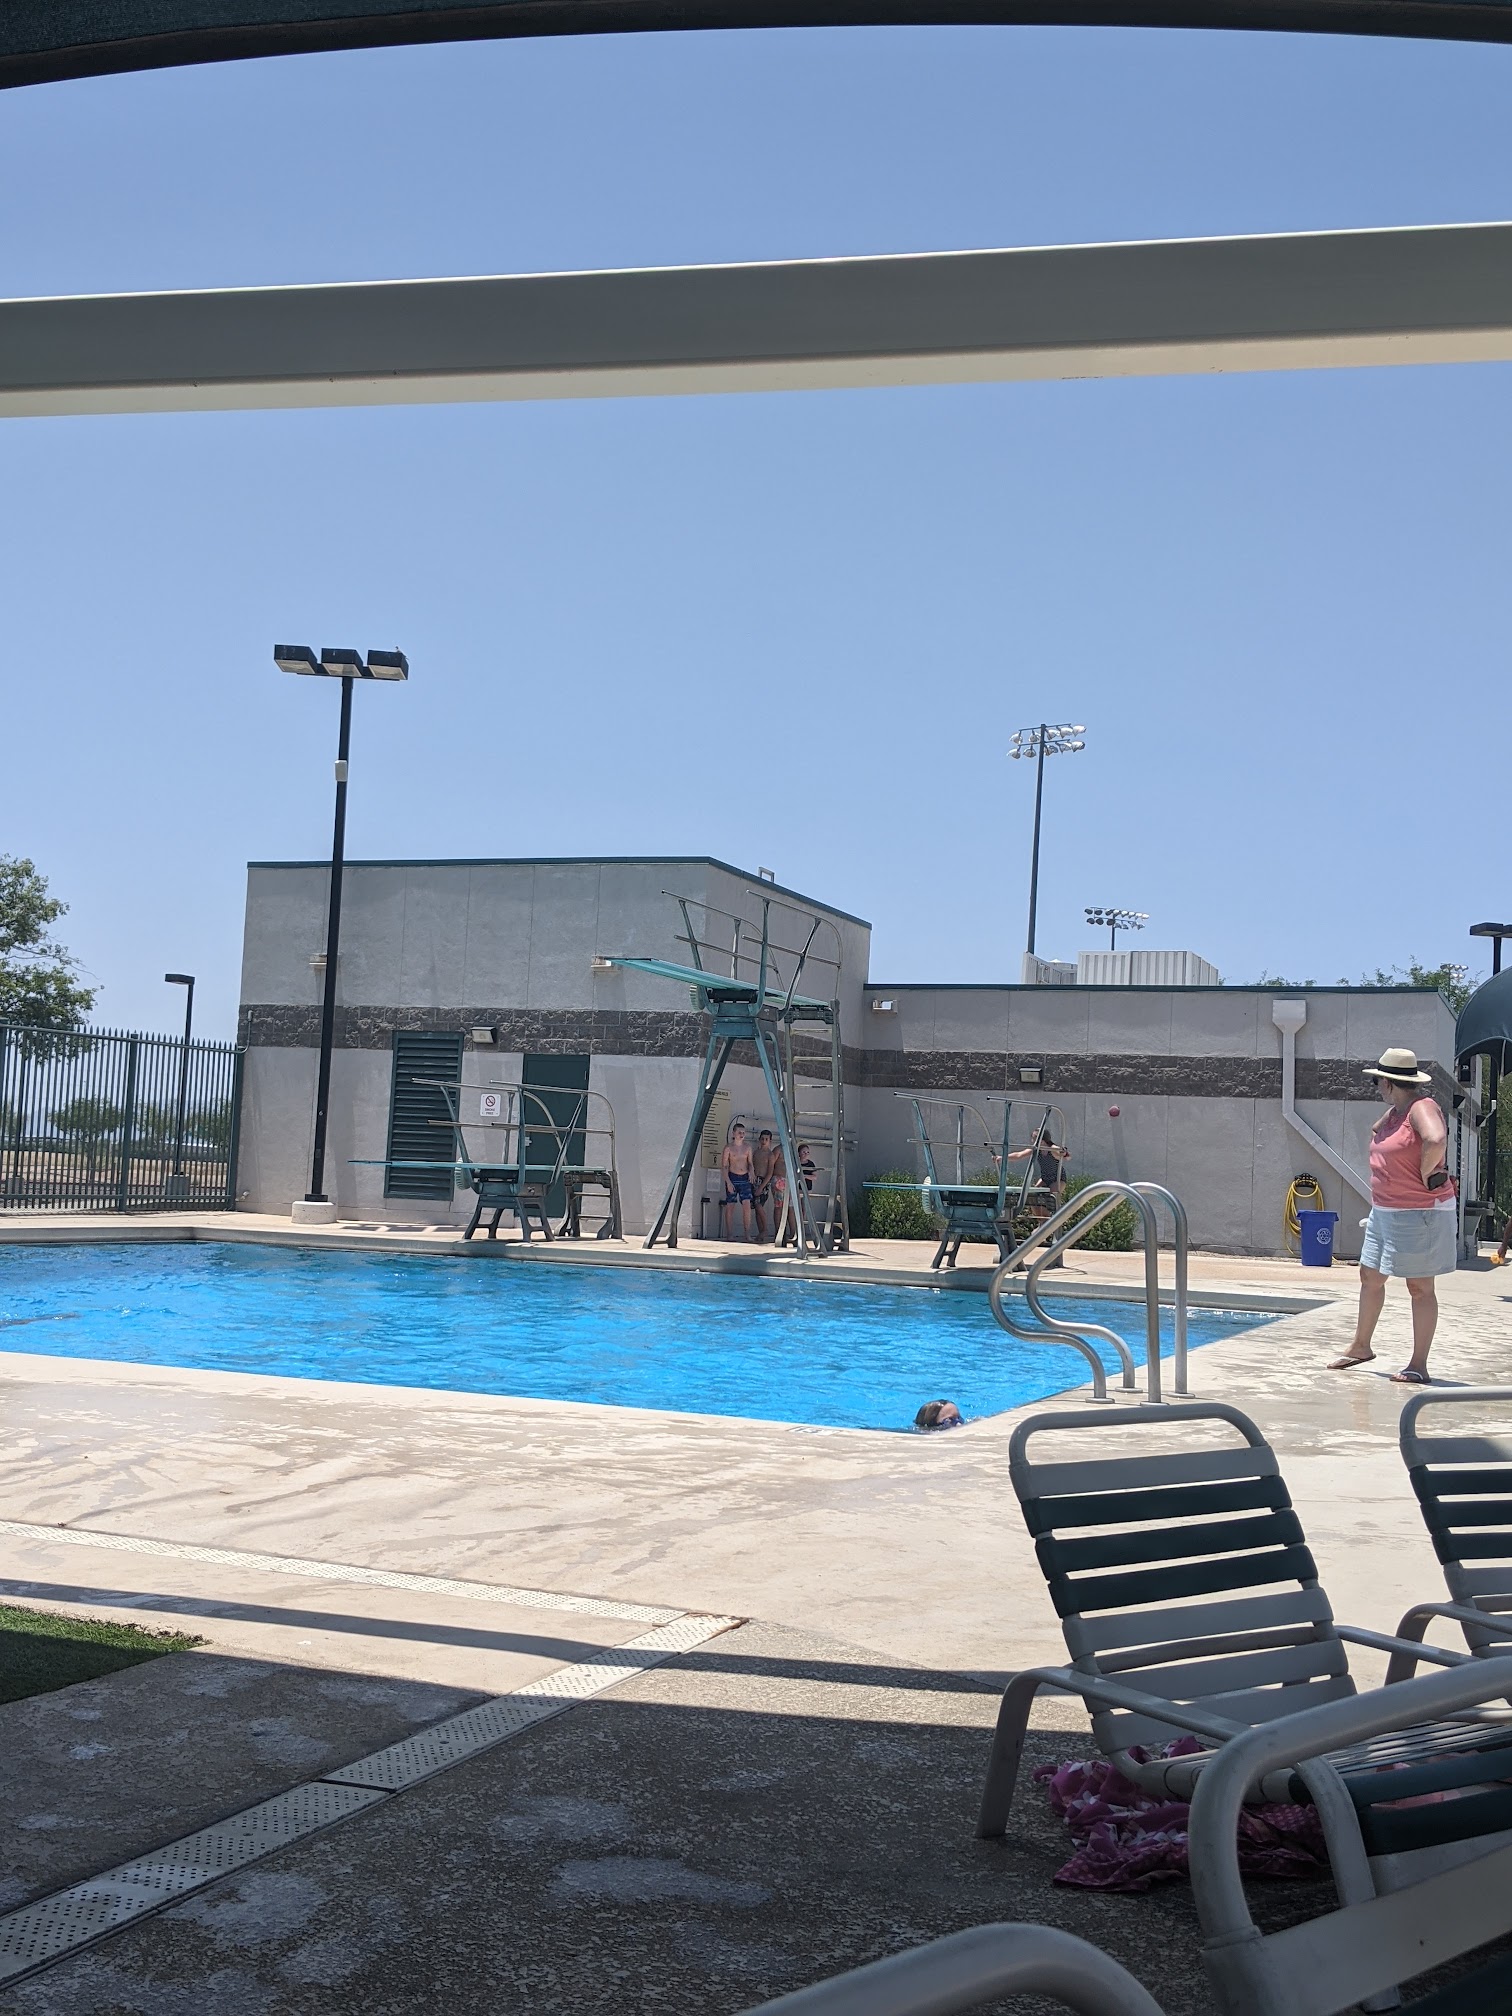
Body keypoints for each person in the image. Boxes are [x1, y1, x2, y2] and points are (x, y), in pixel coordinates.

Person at [1328, 1047, 1457, 1385]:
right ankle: (1361, 1346)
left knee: (1419, 1286)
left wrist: (1426, 1171)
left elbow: (1436, 1139)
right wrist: (1388, 1126)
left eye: (1377, 1083)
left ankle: (1418, 1365)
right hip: (1386, 1210)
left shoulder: (1422, 1107)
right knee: (1370, 1275)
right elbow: (1378, 1132)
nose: (1377, 1088)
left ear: (1387, 1083)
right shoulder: (1397, 1112)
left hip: (1419, 1211)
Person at [720, 1121, 757, 1242]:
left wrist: (752, 1172)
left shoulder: (747, 1147)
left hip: (745, 1178)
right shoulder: (728, 1148)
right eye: (739, 1132)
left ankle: (747, 1234)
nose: (742, 1135)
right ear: (733, 1133)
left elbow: (750, 1163)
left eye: (743, 1133)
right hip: (732, 1177)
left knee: (747, 1205)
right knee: (730, 1206)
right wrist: (728, 1182)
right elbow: (724, 1166)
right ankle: (730, 1234)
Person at [751, 1128, 777, 1243]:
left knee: (759, 1205)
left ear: (770, 1141)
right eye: (762, 1139)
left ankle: (765, 1228)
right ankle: (760, 1231)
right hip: (754, 1180)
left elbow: (770, 1172)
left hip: (764, 1181)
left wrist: (762, 1186)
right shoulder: (756, 1153)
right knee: (756, 1208)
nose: (764, 1141)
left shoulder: (770, 1155)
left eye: (766, 1139)